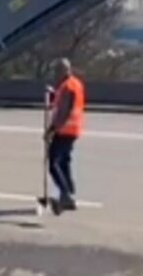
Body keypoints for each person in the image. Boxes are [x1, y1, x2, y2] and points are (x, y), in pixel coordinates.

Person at [45, 58, 85, 214]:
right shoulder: (74, 84)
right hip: (73, 130)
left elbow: (63, 110)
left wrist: (51, 129)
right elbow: (64, 102)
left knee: (53, 163)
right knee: (64, 161)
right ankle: (68, 189)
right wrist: (53, 95)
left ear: (64, 70)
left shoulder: (67, 86)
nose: (56, 74)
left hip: (64, 130)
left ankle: (66, 194)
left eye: (57, 71)